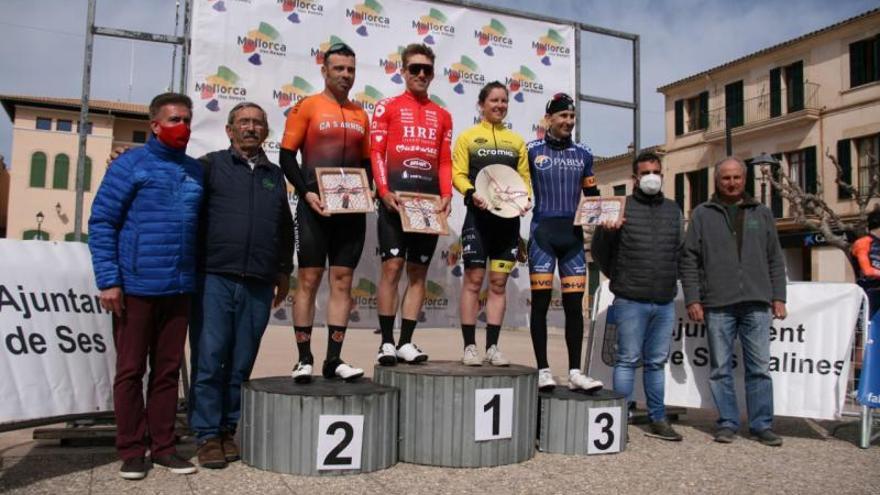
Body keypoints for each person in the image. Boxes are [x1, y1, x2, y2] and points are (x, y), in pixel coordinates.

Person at [89, 92, 203, 480]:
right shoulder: (129, 165)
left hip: (179, 287)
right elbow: (102, 222)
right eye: (173, 120)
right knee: (130, 370)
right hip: (135, 287)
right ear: (154, 125)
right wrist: (109, 281)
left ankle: (165, 447)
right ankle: (133, 450)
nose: (182, 127)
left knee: (168, 372)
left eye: (187, 119)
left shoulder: (196, 171)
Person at [187, 102, 295, 469]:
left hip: (259, 282)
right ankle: (205, 434)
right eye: (243, 122)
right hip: (214, 276)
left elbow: (284, 227)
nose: (251, 128)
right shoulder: (209, 166)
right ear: (229, 130)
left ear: (266, 131)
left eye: (257, 123)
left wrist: (283, 270)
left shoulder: (274, 174)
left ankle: (228, 430)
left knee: (241, 362)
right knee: (209, 358)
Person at [680, 156, 787, 446]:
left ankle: (761, 425)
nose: (731, 182)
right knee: (720, 369)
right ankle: (727, 422)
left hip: (757, 302)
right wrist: (693, 298)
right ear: (717, 180)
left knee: (760, 369)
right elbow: (689, 259)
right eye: (725, 178)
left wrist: (779, 296)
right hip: (718, 304)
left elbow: (775, 258)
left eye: (736, 177)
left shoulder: (762, 213)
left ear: (744, 179)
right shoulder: (702, 214)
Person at [280, 42, 369, 383]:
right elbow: (287, 157)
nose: (345, 75)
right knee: (308, 280)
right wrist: (306, 192)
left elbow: (364, 162)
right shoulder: (307, 106)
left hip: (351, 211)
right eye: (339, 69)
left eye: (350, 69)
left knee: (343, 282)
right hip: (314, 208)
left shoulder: (362, 114)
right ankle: (304, 358)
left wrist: (370, 186)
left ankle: (334, 360)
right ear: (324, 70)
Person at [591, 151, 684, 441]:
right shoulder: (620, 207)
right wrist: (619, 274)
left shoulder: (673, 209)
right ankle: (619, 419)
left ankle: (658, 417)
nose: (651, 177)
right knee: (627, 359)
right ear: (634, 179)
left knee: (656, 362)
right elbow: (599, 253)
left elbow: (680, 251)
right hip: (631, 298)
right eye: (645, 173)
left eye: (655, 172)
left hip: (664, 300)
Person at [371, 43, 453, 365]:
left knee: (419, 272)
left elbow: (444, 160)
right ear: (403, 71)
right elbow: (377, 152)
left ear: (432, 74)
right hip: (395, 200)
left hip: (428, 203)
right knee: (392, 267)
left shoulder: (442, 115)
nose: (421, 74)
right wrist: (383, 189)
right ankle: (386, 342)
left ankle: (406, 341)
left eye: (427, 69)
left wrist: (447, 194)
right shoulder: (386, 106)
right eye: (414, 68)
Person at [526, 93, 603, 392]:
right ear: (549, 119)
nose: (569, 122)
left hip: (572, 239)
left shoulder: (583, 153)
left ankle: (574, 372)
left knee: (574, 307)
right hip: (542, 235)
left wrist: (607, 214)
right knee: (541, 304)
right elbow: (516, 187)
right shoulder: (531, 150)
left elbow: (593, 196)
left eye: (572, 117)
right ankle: (543, 369)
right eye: (563, 116)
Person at [452, 81, 531, 366]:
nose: (499, 105)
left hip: (507, 223)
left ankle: (493, 347)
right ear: (481, 104)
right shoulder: (469, 137)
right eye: (494, 101)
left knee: (498, 284)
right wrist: (471, 193)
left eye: (504, 101)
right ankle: (469, 346)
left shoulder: (516, 141)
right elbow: (458, 174)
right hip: (478, 219)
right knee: (473, 281)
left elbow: (525, 180)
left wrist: (526, 200)